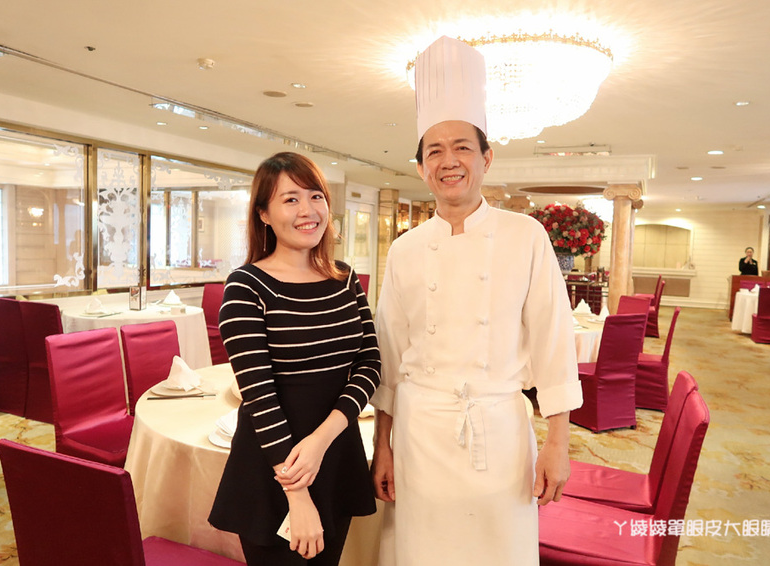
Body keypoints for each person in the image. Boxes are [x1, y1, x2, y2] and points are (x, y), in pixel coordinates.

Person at [370, 37, 582, 566]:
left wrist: (558, 442)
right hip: (421, 436)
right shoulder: (404, 250)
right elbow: (390, 356)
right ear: (420, 168)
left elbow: (555, 340)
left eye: (462, 147)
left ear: (487, 158)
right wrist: (383, 444)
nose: (449, 161)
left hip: (501, 432)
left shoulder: (526, 235)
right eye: (434, 151)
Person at [209, 152, 380, 565]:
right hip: (275, 469)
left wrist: (323, 440)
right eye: (290, 199)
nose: (308, 210)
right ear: (264, 214)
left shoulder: (344, 280)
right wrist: (297, 496)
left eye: (315, 196)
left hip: (335, 457)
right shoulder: (246, 286)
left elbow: (370, 364)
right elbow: (259, 396)